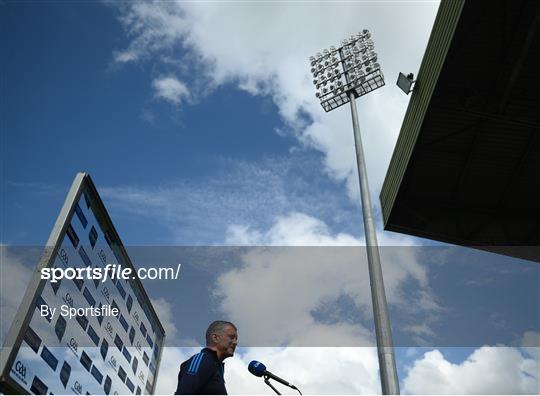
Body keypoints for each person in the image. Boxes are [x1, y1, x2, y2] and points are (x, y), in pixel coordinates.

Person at [175, 321, 238, 395]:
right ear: (215, 338)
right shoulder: (203, 360)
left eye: (236, 339)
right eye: (231, 337)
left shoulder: (216, 367)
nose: (235, 342)